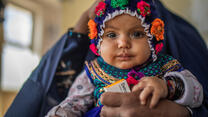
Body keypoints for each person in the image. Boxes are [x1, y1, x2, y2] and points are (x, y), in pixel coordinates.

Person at [5, 0, 208, 117]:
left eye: (137, 34)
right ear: (98, 43)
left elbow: (197, 92)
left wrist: (169, 89)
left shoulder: (165, 65)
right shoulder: (94, 70)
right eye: (111, 35)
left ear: (154, 38)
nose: (123, 43)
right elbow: (74, 102)